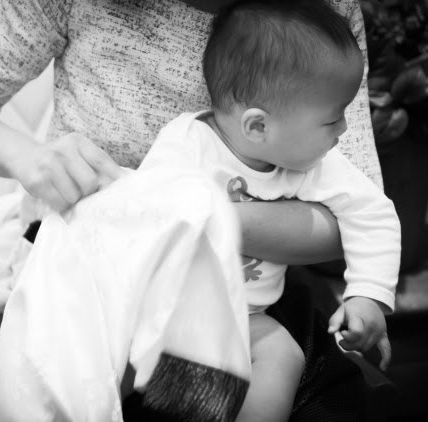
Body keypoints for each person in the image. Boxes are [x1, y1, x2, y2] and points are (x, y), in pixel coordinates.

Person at [0, 0, 385, 420]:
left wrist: (203, 221)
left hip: (246, 284)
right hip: (92, 270)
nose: (341, 129)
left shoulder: (323, 21)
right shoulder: (185, 139)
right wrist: (27, 159)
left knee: (282, 367)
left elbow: (356, 212)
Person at [137, 1, 400, 420]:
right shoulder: (187, 147)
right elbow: (143, 212)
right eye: (332, 120)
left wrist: (368, 294)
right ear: (258, 126)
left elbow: (373, 213)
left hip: (245, 315)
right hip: (161, 306)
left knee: (284, 355)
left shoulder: (312, 164)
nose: (344, 129)